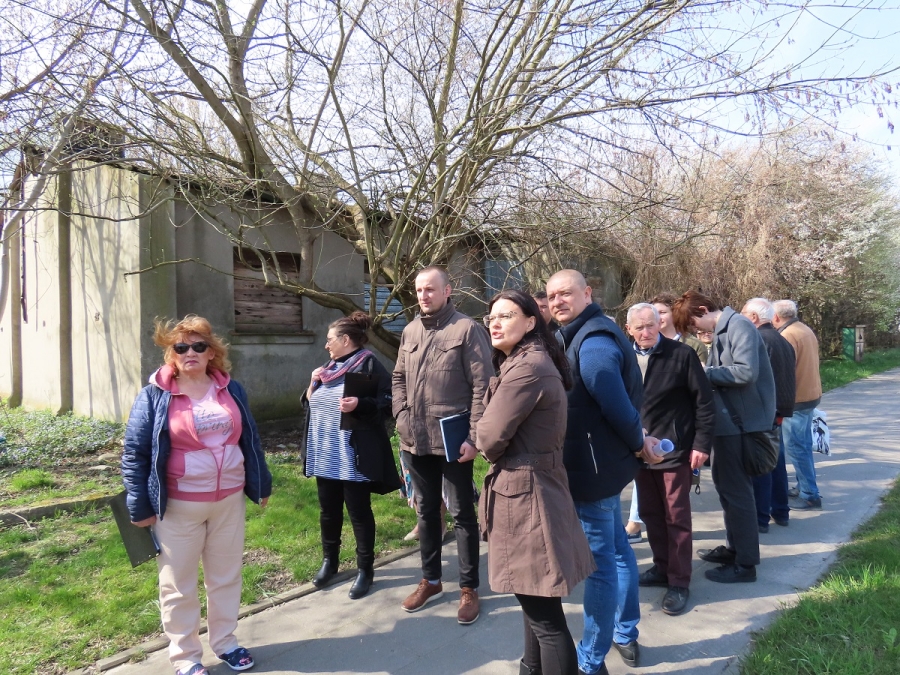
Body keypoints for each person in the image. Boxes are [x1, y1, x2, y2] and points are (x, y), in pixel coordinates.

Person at [122, 315, 272, 675]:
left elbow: (250, 438)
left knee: (226, 577)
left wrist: (261, 483)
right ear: (171, 353)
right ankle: (186, 657)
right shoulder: (155, 395)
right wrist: (139, 506)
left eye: (198, 346)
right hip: (178, 506)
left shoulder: (231, 389)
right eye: (181, 347)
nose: (190, 352)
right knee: (178, 585)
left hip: (228, 502)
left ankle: (226, 643)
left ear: (211, 352)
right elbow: (135, 453)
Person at [477, 290, 595, 675]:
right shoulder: (526, 361)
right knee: (535, 601)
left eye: (506, 315)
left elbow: (488, 438)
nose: (495, 323)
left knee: (546, 620)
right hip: (531, 487)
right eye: (491, 317)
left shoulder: (527, 368)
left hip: (526, 495)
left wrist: (484, 430)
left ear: (530, 322)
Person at [546, 270, 657, 675]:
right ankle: (625, 632)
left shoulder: (592, 341)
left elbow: (609, 394)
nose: (558, 301)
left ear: (587, 293)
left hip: (592, 472)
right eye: (552, 296)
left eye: (566, 293)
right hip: (601, 467)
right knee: (617, 550)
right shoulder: (576, 333)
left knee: (600, 566)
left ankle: (590, 660)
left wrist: (638, 440)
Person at [392, 266, 493, 624]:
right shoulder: (410, 330)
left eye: (430, 289)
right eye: (419, 290)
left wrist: (473, 437)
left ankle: (469, 587)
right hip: (414, 440)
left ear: (447, 291)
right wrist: (401, 414)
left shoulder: (467, 329)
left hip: (453, 442)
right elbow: (398, 377)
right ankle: (431, 580)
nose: (423, 295)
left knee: (462, 514)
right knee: (426, 511)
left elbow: (483, 386)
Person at [672, 291, 775, 584]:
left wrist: (702, 372)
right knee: (728, 491)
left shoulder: (739, 325)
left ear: (704, 309)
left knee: (737, 494)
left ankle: (745, 564)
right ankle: (735, 549)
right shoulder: (724, 330)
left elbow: (745, 373)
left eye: (693, 324)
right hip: (728, 424)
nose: (695, 331)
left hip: (740, 425)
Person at [301, 312, 402, 599]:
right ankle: (329, 562)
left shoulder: (367, 363)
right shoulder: (328, 368)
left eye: (330, 339)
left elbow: (388, 400)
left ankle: (365, 569)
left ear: (346, 340)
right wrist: (311, 384)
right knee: (328, 511)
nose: (326, 345)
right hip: (324, 452)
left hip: (351, 454)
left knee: (358, 512)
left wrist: (360, 403)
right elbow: (310, 403)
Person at [625, 303, 715, 616]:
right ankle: (662, 567)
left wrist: (701, 444)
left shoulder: (681, 355)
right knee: (650, 513)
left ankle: (679, 581)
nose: (646, 332)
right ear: (629, 330)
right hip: (638, 451)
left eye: (651, 325)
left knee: (676, 516)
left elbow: (704, 403)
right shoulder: (623, 357)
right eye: (639, 327)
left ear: (659, 325)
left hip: (674, 450)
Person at [741, 298, 796, 532]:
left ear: (753, 317)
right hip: (779, 408)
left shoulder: (759, 339)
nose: (740, 318)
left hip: (764, 411)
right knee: (776, 461)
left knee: (761, 465)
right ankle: (781, 510)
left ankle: (760, 518)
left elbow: (752, 377)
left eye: (743, 313)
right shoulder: (780, 338)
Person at [772, 299, 824, 510]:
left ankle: (810, 494)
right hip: (810, 395)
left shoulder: (787, 335)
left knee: (796, 447)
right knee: (803, 445)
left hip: (797, 400)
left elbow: (784, 371)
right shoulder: (804, 329)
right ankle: (804, 486)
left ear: (776, 316)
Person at [650, 292, 709, 363]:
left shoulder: (695, 345)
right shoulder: (648, 343)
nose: (658, 317)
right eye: (655, 313)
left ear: (675, 313)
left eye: (662, 312)